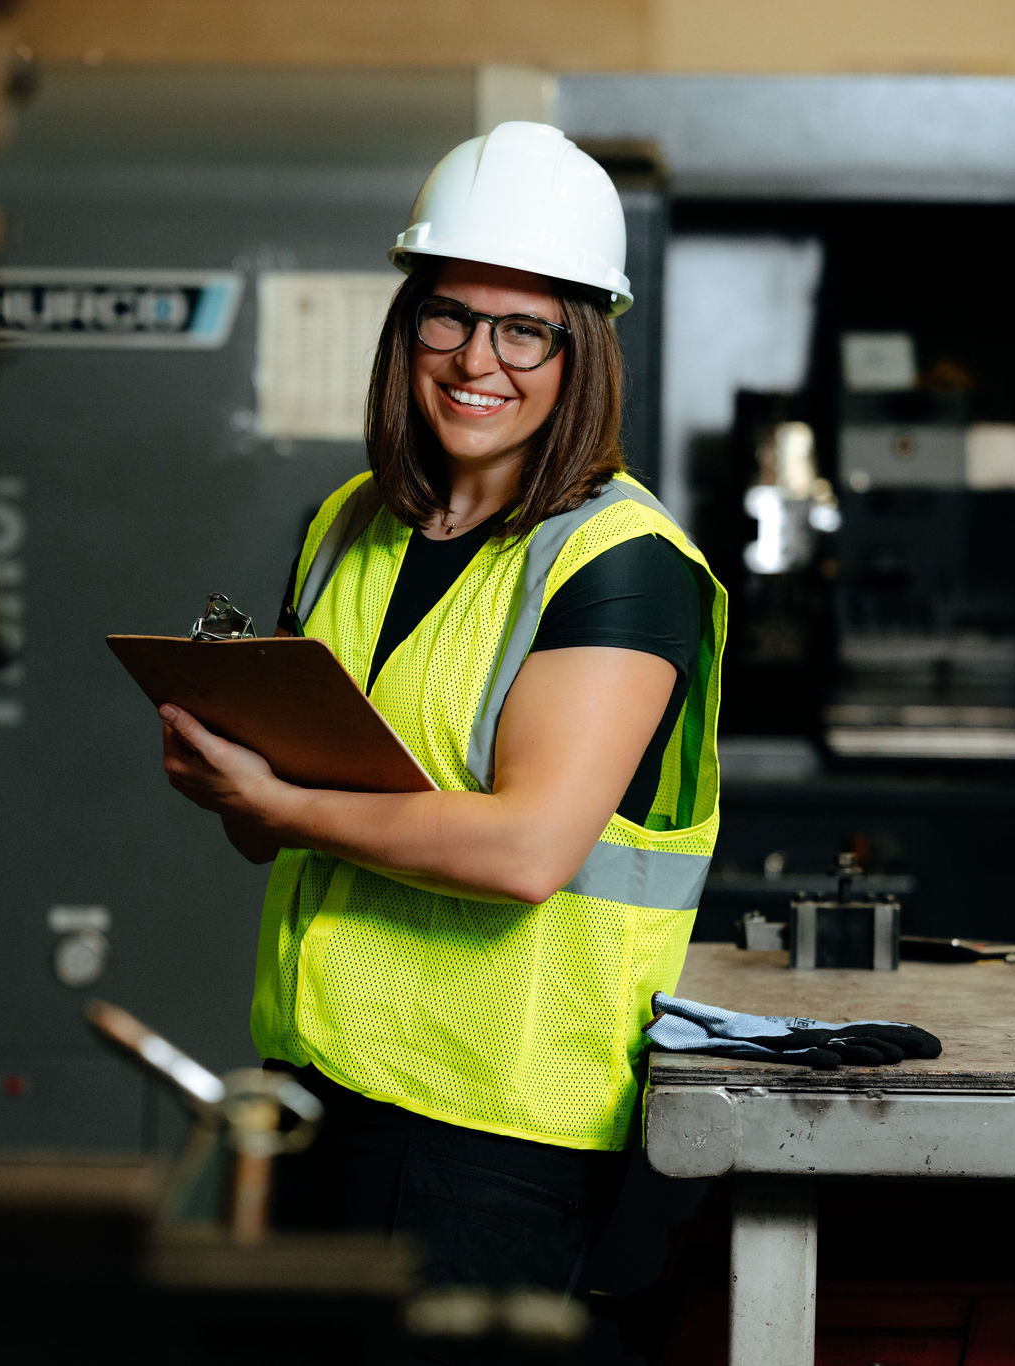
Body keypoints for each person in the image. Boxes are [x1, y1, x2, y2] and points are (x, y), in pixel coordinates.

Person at [158, 121, 725, 1297]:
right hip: (313, 1081)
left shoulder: (622, 565)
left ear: (583, 355)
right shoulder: (344, 526)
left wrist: (282, 802)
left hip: (490, 1130)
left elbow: (528, 847)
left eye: (527, 329)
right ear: (405, 325)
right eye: (451, 315)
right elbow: (275, 819)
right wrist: (231, 784)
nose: (480, 357)